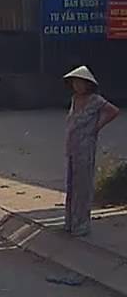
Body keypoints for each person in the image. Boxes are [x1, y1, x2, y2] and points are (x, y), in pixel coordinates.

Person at [63, 66, 119, 236]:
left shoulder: (95, 100)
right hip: (72, 146)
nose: (77, 86)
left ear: (88, 85)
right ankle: (70, 222)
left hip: (85, 145)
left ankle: (81, 225)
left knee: (83, 186)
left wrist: (97, 126)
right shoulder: (75, 99)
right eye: (75, 83)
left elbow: (113, 111)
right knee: (72, 185)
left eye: (80, 83)